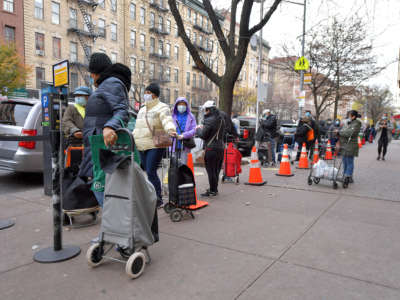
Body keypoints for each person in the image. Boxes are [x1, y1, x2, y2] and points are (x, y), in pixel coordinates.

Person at [79, 53, 130, 207]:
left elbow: (122, 111)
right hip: (98, 147)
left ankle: (116, 230)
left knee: (106, 195)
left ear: (95, 73)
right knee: (104, 193)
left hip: (103, 150)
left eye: (91, 74)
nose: (91, 77)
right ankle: (110, 230)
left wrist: (109, 127)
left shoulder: (111, 83)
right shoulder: (107, 85)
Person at [133, 83, 177, 208]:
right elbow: (137, 127)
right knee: (147, 171)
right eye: (145, 92)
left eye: (148, 92)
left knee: (151, 171)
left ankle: (158, 198)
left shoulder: (162, 107)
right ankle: (150, 196)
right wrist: (131, 137)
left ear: (154, 94)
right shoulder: (142, 109)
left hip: (155, 144)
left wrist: (170, 130)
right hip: (141, 144)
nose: (145, 95)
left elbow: (167, 120)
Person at [196, 100, 225, 197]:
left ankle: (212, 190)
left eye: (206, 110)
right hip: (220, 147)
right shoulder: (221, 119)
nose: (205, 112)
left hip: (211, 149)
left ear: (209, 110)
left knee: (211, 170)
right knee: (216, 170)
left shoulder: (209, 120)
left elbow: (203, 135)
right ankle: (214, 189)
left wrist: (198, 129)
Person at [171, 97, 197, 164]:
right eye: (179, 104)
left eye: (183, 104)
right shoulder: (172, 116)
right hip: (174, 144)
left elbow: (194, 130)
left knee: (184, 165)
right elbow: (167, 127)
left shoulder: (191, 116)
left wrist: (184, 135)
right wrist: (171, 133)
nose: (181, 106)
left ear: (186, 105)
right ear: (176, 105)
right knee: (173, 165)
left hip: (185, 144)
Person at [338, 110, 362, 184]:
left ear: (353, 116)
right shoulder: (348, 123)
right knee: (345, 161)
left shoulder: (357, 124)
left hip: (351, 145)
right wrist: (339, 132)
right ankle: (346, 176)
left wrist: (340, 132)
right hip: (345, 144)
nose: (348, 117)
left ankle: (347, 176)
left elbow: (349, 133)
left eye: (349, 116)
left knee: (349, 161)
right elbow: (343, 130)